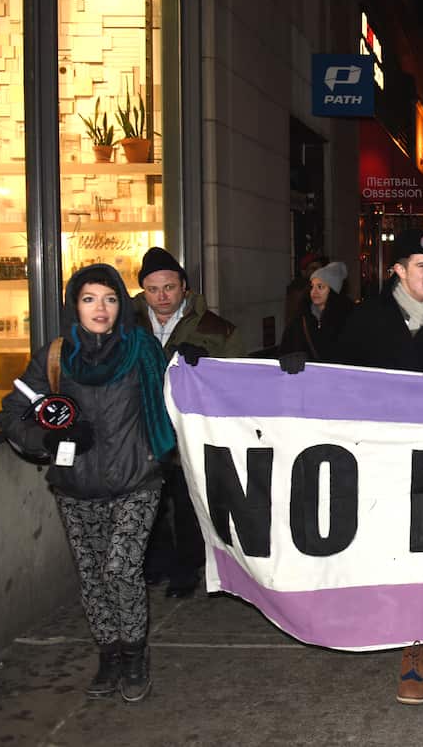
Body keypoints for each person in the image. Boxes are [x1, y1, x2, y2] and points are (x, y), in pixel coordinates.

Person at [300, 228, 423, 705]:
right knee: (386, 543)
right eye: (422, 266)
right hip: (380, 455)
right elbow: (336, 374)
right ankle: (380, 619)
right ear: (397, 270)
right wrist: (292, 372)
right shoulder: (368, 318)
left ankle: (413, 645)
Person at [0, 263, 176, 703]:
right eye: (89, 298)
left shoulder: (142, 351)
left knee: (121, 568)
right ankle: (109, 655)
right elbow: (14, 411)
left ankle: (135, 656)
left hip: (138, 479)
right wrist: (49, 437)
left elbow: (183, 391)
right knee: (94, 578)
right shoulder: (56, 357)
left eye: (111, 298)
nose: (101, 308)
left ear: (122, 303)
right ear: (74, 305)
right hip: (77, 486)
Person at [133, 247, 246, 598]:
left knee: (187, 500)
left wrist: (206, 363)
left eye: (168, 287)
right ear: (143, 291)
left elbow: (236, 379)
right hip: (142, 427)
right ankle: (156, 562)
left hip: (191, 430)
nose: (161, 297)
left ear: (183, 286)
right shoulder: (127, 324)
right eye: (152, 290)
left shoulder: (216, 328)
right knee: (146, 499)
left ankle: (187, 566)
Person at [278, 260, 353, 363]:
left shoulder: (348, 319)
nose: (314, 292)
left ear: (333, 291)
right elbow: (286, 351)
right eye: (312, 286)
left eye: (320, 287)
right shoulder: (300, 318)